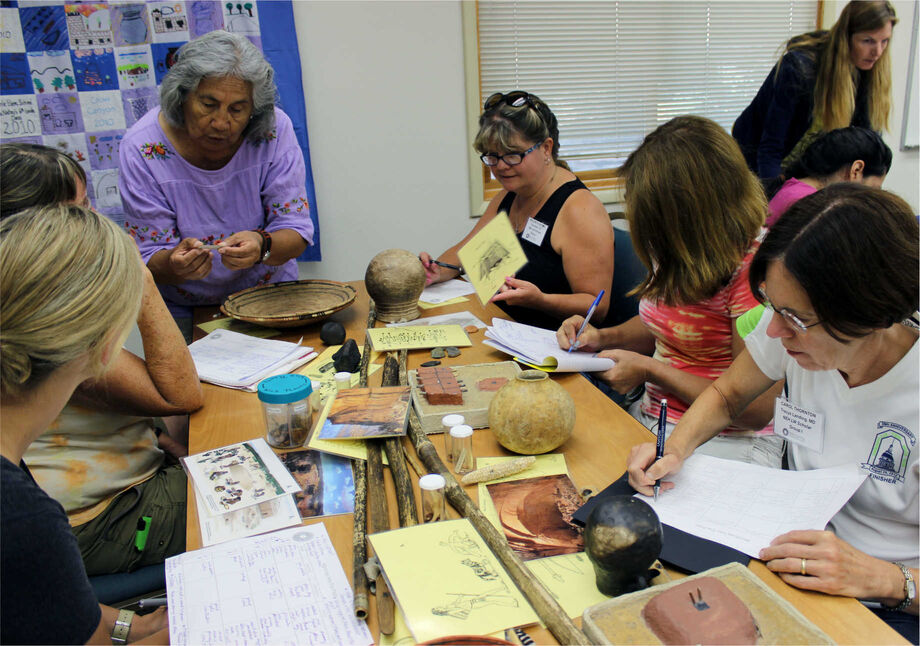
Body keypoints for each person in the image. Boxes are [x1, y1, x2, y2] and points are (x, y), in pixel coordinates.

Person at [626, 183, 918, 643]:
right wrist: (675, 449)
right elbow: (727, 395)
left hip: (885, 601)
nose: (775, 330)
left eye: (796, 320)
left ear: (872, 315)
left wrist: (883, 579)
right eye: (771, 307)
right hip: (783, 552)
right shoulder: (791, 324)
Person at [0, 142, 202, 576]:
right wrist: (140, 273)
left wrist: (154, 438)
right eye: (78, 212)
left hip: (114, 485)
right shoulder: (45, 324)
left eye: (88, 204)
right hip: (98, 518)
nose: (94, 222)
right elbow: (181, 395)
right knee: (280, 491)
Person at [557, 116, 784, 465]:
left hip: (731, 439)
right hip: (657, 418)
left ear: (690, 214)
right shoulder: (680, 248)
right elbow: (668, 326)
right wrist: (601, 338)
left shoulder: (755, 273)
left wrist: (651, 370)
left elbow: (752, 408)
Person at [1, 205, 170, 644]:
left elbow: (55, 609)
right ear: (106, 347)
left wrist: (135, 626)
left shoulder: (13, 469)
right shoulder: (22, 517)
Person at [119, 30, 314, 340]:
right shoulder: (142, 148)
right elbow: (148, 258)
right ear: (182, 95)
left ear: (254, 109)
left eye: (237, 109)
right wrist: (175, 264)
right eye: (208, 104)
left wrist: (262, 246)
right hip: (186, 311)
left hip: (271, 299)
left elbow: (296, 230)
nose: (222, 123)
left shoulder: (273, 131)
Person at [419, 91, 614, 330]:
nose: (500, 166)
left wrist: (540, 300)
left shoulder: (579, 209)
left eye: (512, 155)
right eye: (492, 156)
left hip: (553, 345)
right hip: (503, 328)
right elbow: (469, 252)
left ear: (546, 148)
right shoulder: (510, 195)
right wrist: (436, 271)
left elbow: (598, 307)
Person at [732, 1, 897, 181]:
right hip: (755, 158)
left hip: (801, 167)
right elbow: (770, 148)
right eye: (867, 41)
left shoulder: (868, 70)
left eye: (885, 41)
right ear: (846, 37)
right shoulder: (799, 68)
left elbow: (867, 146)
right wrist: (772, 196)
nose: (877, 51)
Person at [766, 126, 891, 227]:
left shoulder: (797, 189)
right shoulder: (810, 204)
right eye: (872, 189)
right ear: (856, 170)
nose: (869, 199)